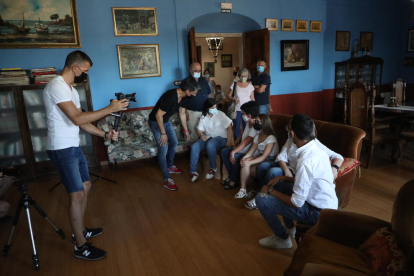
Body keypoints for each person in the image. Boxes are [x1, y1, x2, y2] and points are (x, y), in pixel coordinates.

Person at [44, 50, 129, 261]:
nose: (86, 74)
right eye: (85, 70)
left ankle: (80, 230)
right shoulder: (56, 86)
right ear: (75, 68)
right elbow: (75, 118)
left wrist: (105, 134)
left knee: (86, 186)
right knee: (77, 194)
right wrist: (110, 109)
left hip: (72, 146)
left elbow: (83, 121)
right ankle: (80, 246)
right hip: (61, 148)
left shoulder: (71, 89)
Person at [256, 114, 338, 249]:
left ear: (292, 133)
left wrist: (270, 191)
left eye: (288, 129)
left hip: (318, 213)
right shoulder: (316, 150)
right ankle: (290, 228)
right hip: (327, 206)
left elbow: (296, 202)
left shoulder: (306, 161)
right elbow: (306, 181)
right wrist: (282, 177)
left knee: (261, 199)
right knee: (281, 185)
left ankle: (282, 238)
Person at [246, 122, 343, 209]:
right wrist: (286, 171)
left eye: (289, 128)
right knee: (263, 166)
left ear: (293, 132)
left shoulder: (314, 146)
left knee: (273, 172)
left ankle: (263, 196)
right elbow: (281, 157)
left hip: (298, 172)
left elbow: (338, 157)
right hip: (288, 167)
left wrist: (334, 169)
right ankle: (261, 191)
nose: (288, 131)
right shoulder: (291, 140)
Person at [148, 78, 198, 191]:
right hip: (156, 122)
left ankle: (169, 166)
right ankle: (166, 179)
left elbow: (182, 114)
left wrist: (186, 131)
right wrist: (163, 133)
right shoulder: (169, 96)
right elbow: (158, 115)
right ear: (188, 90)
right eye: (194, 92)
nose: (194, 95)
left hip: (165, 121)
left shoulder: (184, 97)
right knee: (163, 148)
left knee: (174, 142)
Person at [234, 114, 279, 198]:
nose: (255, 123)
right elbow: (251, 151)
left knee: (249, 166)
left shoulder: (271, 138)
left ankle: (256, 190)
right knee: (245, 161)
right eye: (255, 121)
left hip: (270, 159)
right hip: (261, 156)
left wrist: (250, 162)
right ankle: (243, 189)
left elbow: (265, 156)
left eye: (258, 122)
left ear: (264, 124)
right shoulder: (257, 136)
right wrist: (244, 158)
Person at [190, 98, 233, 182]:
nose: (215, 109)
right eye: (212, 107)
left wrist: (229, 141)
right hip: (208, 137)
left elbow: (229, 127)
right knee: (195, 146)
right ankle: (193, 171)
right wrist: (202, 135)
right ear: (207, 108)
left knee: (210, 144)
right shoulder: (203, 116)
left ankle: (213, 168)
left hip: (221, 138)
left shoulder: (220, 114)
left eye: (215, 107)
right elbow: (199, 130)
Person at [221, 101, 259, 190]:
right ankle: (231, 176)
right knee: (224, 151)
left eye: (243, 113)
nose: (242, 115)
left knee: (235, 156)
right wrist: (240, 137)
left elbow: (246, 142)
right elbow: (245, 136)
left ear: (249, 115)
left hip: (250, 152)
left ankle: (233, 180)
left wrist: (233, 151)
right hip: (243, 148)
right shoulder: (249, 122)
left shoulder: (256, 125)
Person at [180, 62, 212, 142]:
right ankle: (195, 153)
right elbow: (182, 99)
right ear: (191, 71)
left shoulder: (203, 80)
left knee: (205, 134)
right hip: (192, 113)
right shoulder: (185, 82)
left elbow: (208, 94)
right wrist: (185, 111)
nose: (198, 72)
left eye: (199, 70)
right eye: (196, 70)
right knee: (194, 135)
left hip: (204, 112)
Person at [227, 68, 255, 140]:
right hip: (237, 109)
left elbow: (252, 99)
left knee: (247, 127)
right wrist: (233, 99)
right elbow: (228, 95)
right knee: (236, 127)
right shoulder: (235, 84)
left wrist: (253, 110)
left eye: (245, 76)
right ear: (239, 76)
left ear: (247, 76)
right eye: (241, 76)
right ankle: (237, 143)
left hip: (247, 111)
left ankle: (245, 143)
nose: (243, 78)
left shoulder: (250, 86)